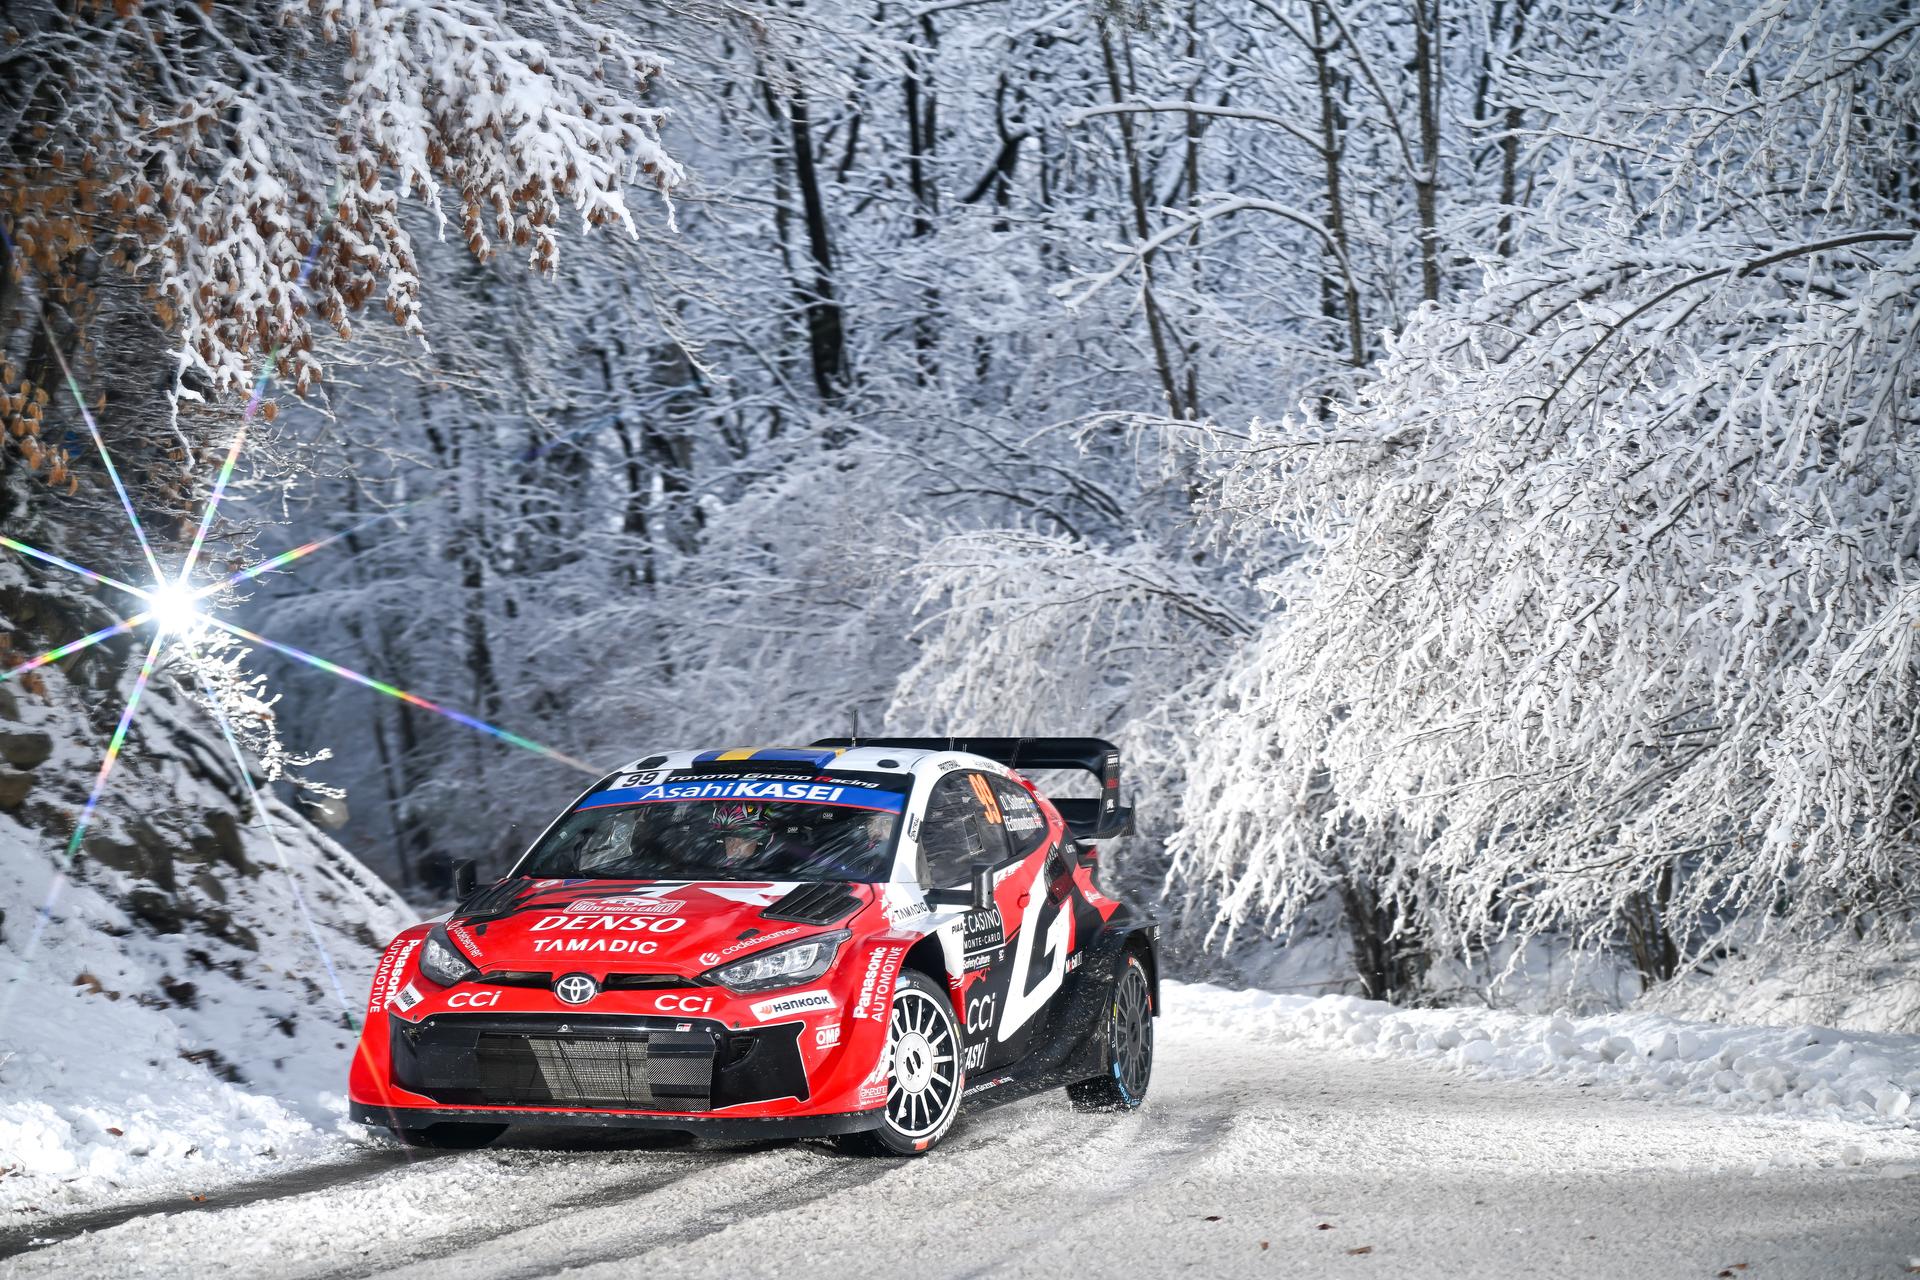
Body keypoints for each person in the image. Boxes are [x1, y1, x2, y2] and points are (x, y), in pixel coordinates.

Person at [708, 801, 771, 868]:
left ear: (760, 842)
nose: (735, 848)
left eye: (745, 840)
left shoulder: (777, 874)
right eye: (730, 840)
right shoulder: (705, 870)